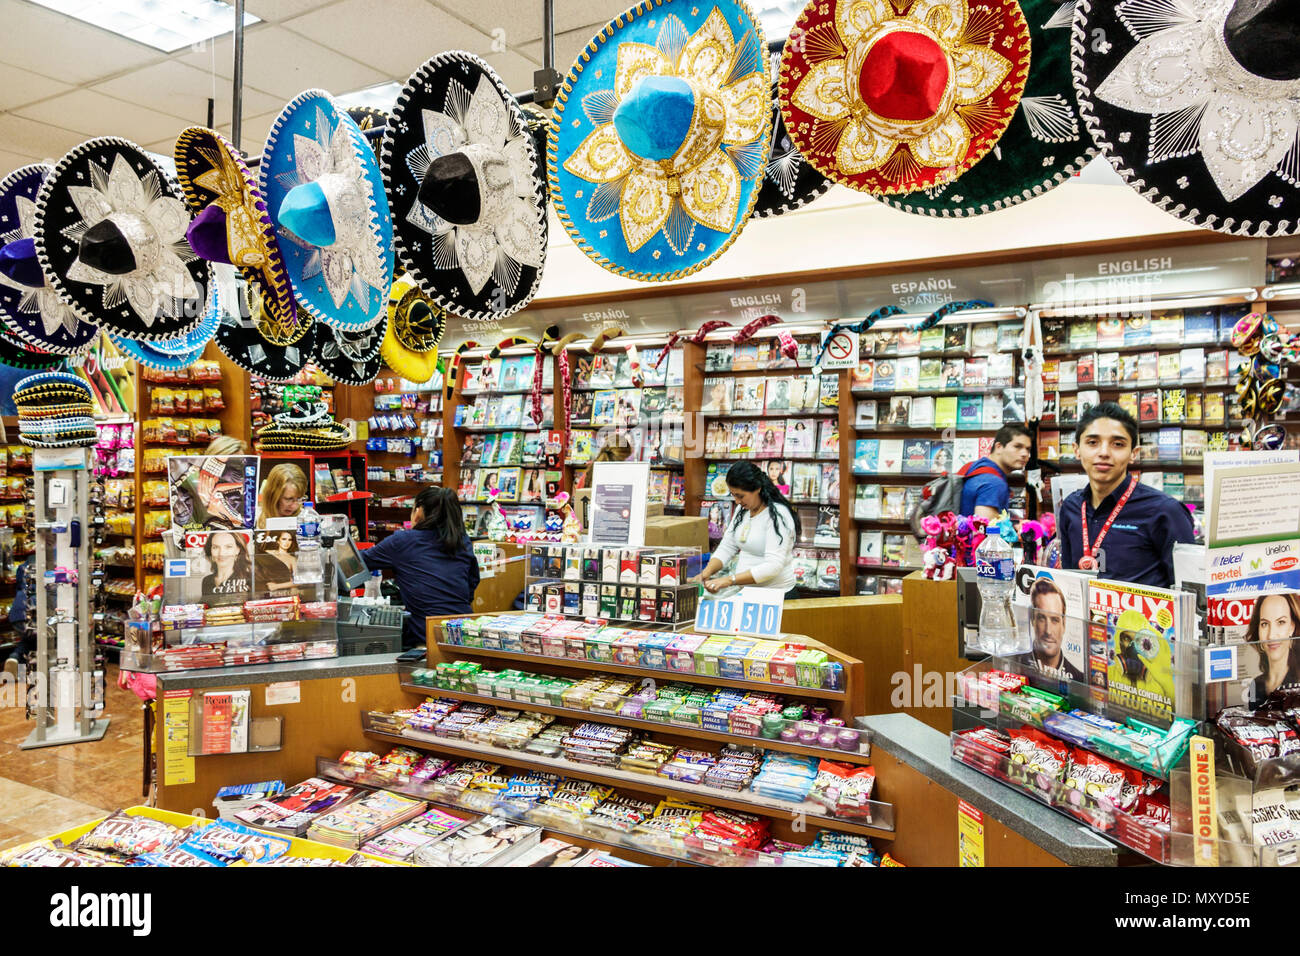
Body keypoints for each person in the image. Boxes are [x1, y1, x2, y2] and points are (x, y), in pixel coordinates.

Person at [1057, 401, 1194, 587]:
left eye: (1118, 444)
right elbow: (1068, 578)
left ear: (1133, 453)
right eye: (1092, 442)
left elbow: (1190, 591)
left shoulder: (1165, 511)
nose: (1104, 452)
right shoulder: (1071, 507)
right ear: (1076, 450)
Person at [362, 486, 480, 649]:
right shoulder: (462, 541)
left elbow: (360, 561)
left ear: (418, 512)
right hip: (465, 633)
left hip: (426, 638)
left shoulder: (403, 541)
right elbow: (471, 585)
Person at [695, 461, 800, 599]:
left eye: (740, 495)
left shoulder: (777, 516)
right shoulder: (742, 510)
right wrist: (706, 573)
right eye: (733, 495)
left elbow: (773, 566)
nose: (737, 501)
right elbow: (727, 546)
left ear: (757, 488)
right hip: (747, 593)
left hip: (776, 596)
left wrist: (729, 580)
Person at [959, 423, 1032, 520]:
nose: (1025, 454)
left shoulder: (974, 467)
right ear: (999, 447)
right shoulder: (993, 483)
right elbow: (984, 532)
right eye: (1017, 446)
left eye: (1028, 449)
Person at [1022, 576, 1084, 681]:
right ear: (1032, 619)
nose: (1048, 631)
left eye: (1055, 620)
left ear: (1064, 624)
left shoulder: (1079, 679)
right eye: (1041, 618)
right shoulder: (1015, 665)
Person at [1247, 593, 1300, 704]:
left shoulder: (1297, 685)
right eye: (1264, 624)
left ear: (1292, 627)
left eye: (1281, 622)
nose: (1271, 635)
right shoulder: (1255, 685)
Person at [202, 530, 252, 604]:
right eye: (215, 547)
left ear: (237, 550)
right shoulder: (207, 581)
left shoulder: (249, 578)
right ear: (210, 550)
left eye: (228, 547)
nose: (221, 553)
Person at [256, 462, 307, 528]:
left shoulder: (305, 518)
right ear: (272, 495)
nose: (294, 506)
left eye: (299, 499)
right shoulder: (254, 518)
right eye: (288, 499)